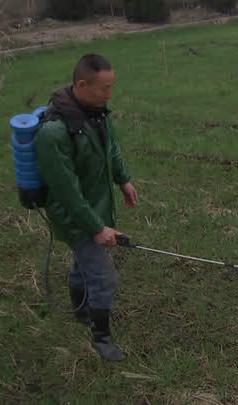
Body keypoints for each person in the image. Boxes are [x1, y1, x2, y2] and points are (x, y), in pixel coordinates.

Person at [35, 54, 138, 361]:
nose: (109, 94)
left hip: (96, 204)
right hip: (74, 215)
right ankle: (101, 337)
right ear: (81, 84)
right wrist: (96, 227)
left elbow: (112, 146)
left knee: (83, 265)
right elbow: (67, 193)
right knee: (104, 277)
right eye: (104, 88)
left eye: (111, 87)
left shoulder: (96, 112)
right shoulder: (53, 133)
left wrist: (123, 180)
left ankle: (81, 311)